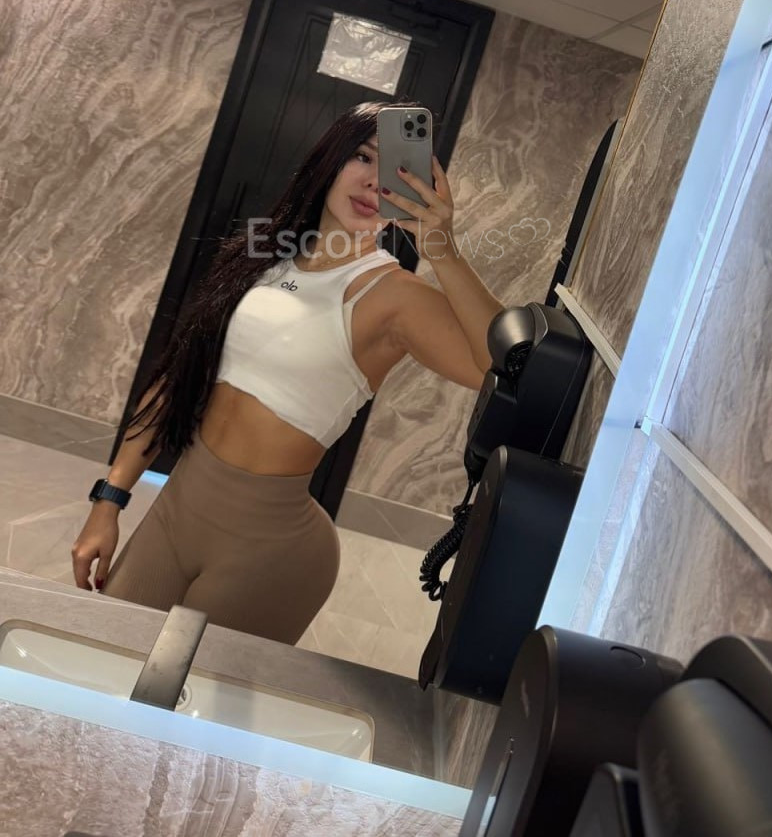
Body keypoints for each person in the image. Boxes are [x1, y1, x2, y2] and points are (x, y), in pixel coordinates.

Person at [71, 100, 505, 644]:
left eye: (395, 168)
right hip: (176, 510)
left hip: (269, 549)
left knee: (186, 692)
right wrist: (109, 500)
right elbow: (176, 382)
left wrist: (442, 247)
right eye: (362, 156)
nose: (374, 182)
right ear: (330, 159)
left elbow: (502, 367)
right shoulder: (263, 256)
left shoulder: (393, 295)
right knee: (100, 660)